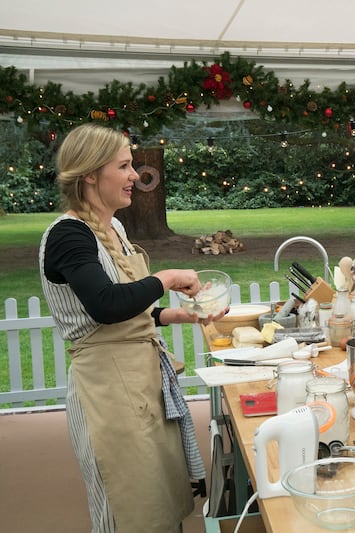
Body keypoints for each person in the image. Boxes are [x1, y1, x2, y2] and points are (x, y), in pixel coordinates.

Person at [39, 124, 227, 532]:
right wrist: (169, 276)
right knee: (126, 507)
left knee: (158, 500)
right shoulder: (69, 235)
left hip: (140, 385)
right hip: (106, 394)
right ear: (90, 173)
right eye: (124, 166)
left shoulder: (115, 230)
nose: (134, 176)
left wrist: (175, 315)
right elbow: (105, 306)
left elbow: (127, 309)